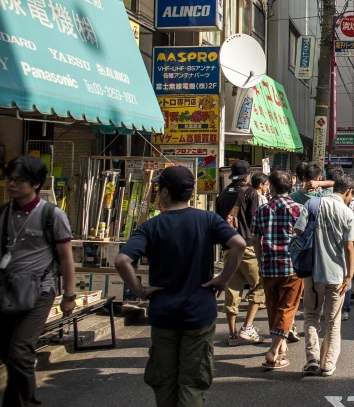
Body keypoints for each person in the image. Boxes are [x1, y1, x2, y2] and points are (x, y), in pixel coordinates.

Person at [115, 166, 245, 406]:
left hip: (164, 312)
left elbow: (122, 260)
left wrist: (139, 291)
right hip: (199, 311)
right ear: (190, 191)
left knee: (164, 380)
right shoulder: (208, 220)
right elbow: (238, 244)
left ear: (164, 192)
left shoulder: (151, 226)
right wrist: (223, 279)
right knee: (193, 382)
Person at [0, 156, 76, 406]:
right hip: (7, 290)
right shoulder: (3, 214)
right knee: (9, 353)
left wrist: (69, 296)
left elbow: (66, 258)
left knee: (20, 352)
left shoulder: (51, 215)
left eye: (19, 180)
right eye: (9, 179)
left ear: (35, 183)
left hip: (40, 291)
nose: (12, 185)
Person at [294, 175, 354, 376]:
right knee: (332, 321)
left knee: (311, 317)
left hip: (312, 273)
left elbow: (298, 230)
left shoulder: (312, 204)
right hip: (337, 275)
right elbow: (350, 247)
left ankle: (312, 358)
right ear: (348, 191)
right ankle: (328, 363)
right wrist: (349, 275)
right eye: (352, 195)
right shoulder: (347, 213)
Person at [252, 171, 303, 370]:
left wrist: (260, 259)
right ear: (290, 187)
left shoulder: (262, 210)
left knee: (273, 307)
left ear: (271, 186)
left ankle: (280, 344)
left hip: (268, 265)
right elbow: (305, 237)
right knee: (288, 308)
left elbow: (255, 239)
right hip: (292, 265)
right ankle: (273, 351)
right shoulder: (298, 209)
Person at [215, 160, 264, 345]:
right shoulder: (251, 192)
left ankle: (232, 333)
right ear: (247, 176)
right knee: (260, 285)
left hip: (228, 247)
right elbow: (254, 221)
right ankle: (248, 327)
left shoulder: (222, 194)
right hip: (248, 246)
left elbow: (218, 221)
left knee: (233, 289)